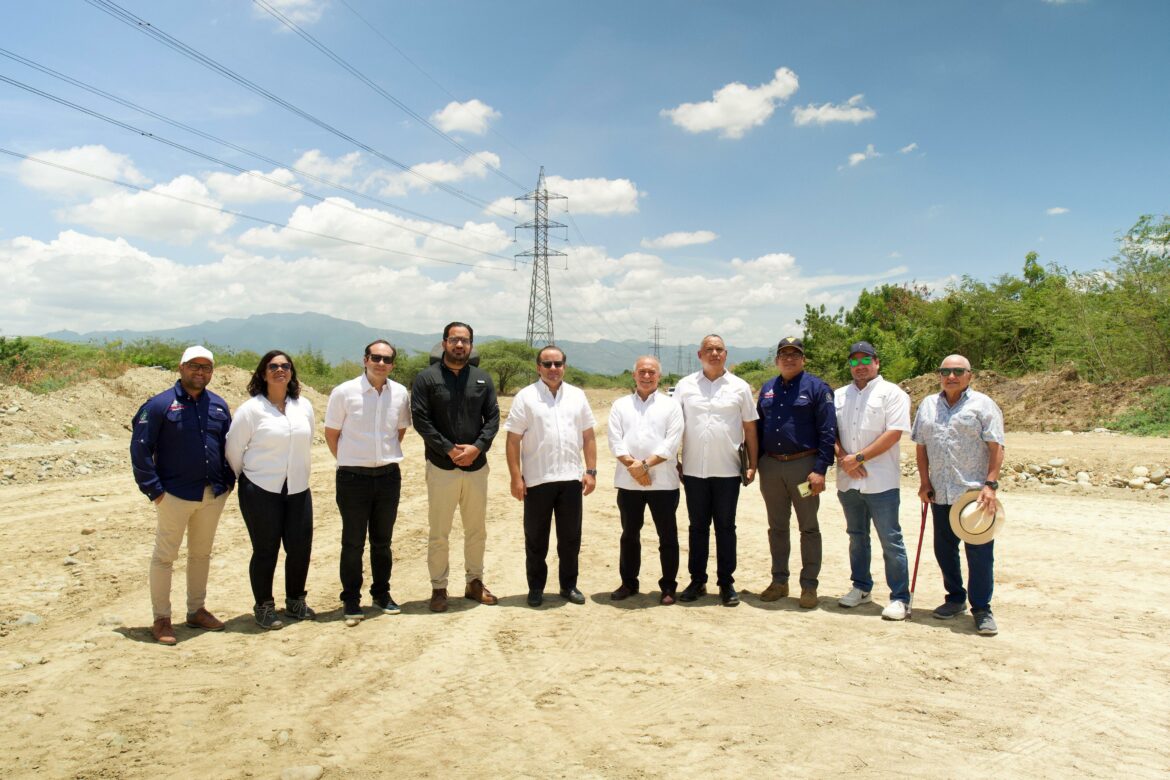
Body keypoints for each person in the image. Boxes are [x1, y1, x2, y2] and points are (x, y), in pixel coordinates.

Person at [130, 345, 234, 645]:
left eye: (206, 368)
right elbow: (139, 448)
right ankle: (161, 618)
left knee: (201, 554)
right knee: (165, 557)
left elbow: (228, 446)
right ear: (181, 367)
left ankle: (196, 610)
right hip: (173, 495)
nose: (200, 372)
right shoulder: (160, 405)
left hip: (211, 495)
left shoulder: (218, 405)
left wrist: (227, 482)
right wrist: (155, 491)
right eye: (194, 366)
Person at [912, 354, 1006, 636]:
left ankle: (981, 609)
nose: (951, 376)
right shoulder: (927, 405)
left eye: (957, 371)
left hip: (973, 494)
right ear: (939, 375)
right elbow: (921, 446)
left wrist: (991, 485)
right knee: (944, 550)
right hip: (940, 492)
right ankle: (954, 598)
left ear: (969, 375)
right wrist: (924, 482)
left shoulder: (983, 405)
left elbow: (996, 446)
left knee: (979, 553)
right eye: (945, 371)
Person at [411, 322, 501, 613]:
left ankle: (474, 582)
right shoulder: (426, 379)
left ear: (471, 345)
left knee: (477, 529)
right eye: (454, 340)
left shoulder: (482, 380)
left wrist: (477, 447)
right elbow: (421, 421)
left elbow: (493, 419)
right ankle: (439, 588)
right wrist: (448, 449)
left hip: (476, 466)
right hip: (441, 466)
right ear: (444, 343)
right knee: (439, 531)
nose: (459, 345)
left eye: (465, 341)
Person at [225, 350, 316, 630]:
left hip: (298, 488)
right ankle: (264, 605)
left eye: (285, 366)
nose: (280, 370)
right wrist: (250, 478)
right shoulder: (251, 410)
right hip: (260, 489)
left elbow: (309, 439)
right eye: (273, 366)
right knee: (266, 550)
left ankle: (295, 601)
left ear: (292, 373)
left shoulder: (304, 407)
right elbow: (233, 451)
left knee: (300, 548)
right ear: (263, 374)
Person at [324, 339, 412, 625]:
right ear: (365, 359)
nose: (381, 363)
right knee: (352, 542)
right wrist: (353, 459)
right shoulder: (344, 392)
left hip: (387, 476)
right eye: (376, 357)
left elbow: (400, 431)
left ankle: (381, 593)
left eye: (387, 359)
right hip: (352, 478)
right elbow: (331, 434)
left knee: (383, 542)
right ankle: (351, 599)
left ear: (393, 364)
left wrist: (379, 457)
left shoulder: (399, 393)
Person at [504, 345, 598, 607]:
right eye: (548, 364)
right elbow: (513, 440)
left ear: (564, 366)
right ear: (538, 367)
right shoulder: (526, 397)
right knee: (536, 539)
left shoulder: (578, 396)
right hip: (537, 480)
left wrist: (590, 471)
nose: (553, 369)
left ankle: (569, 586)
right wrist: (516, 477)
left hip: (570, 480)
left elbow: (588, 436)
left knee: (570, 538)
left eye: (558, 364)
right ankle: (536, 588)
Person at [675, 334, 759, 606]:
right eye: (709, 349)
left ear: (726, 354)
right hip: (693, 470)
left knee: (725, 527)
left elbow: (749, 427)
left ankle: (726, 583)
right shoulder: (685, 386)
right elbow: (674, 426)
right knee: (697, 527)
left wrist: (753, 463)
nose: (714, 353)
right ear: (700, 354)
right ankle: (697, 580)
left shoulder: (740, 387)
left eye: (719, 349)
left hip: (728, 470)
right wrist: (673, 460)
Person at [833, 341, 912, 620]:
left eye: (865, 360)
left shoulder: (893, 394)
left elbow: (895, 432)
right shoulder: (839, 395)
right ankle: (861, 587)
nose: (860, 366)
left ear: (877, 362)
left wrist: (860, 458)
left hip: (880, 481)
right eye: (854, 361)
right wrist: (845, 459)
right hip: (848, 480)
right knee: (857, 537)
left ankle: (900, 597)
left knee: (890, 539)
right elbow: (831, 432)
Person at [755, 337, 836, 609]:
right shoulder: (767, 389)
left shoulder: (817, 388)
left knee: (808, 528)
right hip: (771, 466)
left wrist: (820, 469)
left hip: (804, 466)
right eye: (783, 355)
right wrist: (753, 463)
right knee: (777, 527)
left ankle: (809, 586)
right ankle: (779, 581)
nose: (789, 359)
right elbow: (757, 428)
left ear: (803, 359)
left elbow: (827, 432)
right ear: (776, 360)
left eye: (795, 354)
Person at [606, 356, 684, 605]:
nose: (647, 376)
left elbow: (671, 442)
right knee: (629, 534)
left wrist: (646, 465)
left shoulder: (671, 406)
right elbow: (614, 440)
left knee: (667, 536)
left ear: (659, 376)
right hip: (629, 482)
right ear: (634, 375)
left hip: (663, 482)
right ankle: (629, 582)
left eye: (652, 372)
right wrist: (634, 467)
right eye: (642, 372)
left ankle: (669, 587)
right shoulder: (620, 405)